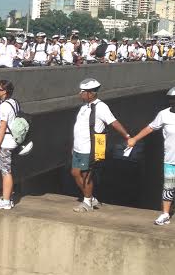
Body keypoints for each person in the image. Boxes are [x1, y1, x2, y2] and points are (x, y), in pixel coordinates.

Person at [71, 78, 130, 212]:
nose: (80, 94)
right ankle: (90, 198)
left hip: (90, 148)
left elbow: (114, 122)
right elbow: (79, 128)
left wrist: (127, 136)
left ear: (91, 93)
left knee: (86, 175)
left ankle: (87, 203)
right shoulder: (83, 107)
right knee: (75, 173)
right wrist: (73, 146)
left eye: (83, 92)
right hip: (78, 148)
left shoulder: (101, 107)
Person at [128, 87, 175, 225]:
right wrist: (135, 139)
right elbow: (150, 127)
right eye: (171, 99)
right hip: (170, 160)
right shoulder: (164, 114)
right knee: (168, 187)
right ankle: (165, 214)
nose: (173, 102)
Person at [0, 80, 20, 210]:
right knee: (8, 170)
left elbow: (2, 127)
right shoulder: (14, 103)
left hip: (6, 142)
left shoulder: (4, 106)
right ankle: (7, 197)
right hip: (13, 140)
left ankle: (6, 201)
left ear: (5, 92)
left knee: (5, 171)